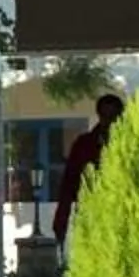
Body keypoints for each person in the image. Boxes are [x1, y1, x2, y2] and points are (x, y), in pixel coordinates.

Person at [52, 93, 124, 247]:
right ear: (99, 116)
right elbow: (68, 183)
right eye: (105, 116)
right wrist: (61, 222)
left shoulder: (131, 144)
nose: (109, 122)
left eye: (113, 117)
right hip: (91, 214)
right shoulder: (84, 145)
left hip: (123, 214)